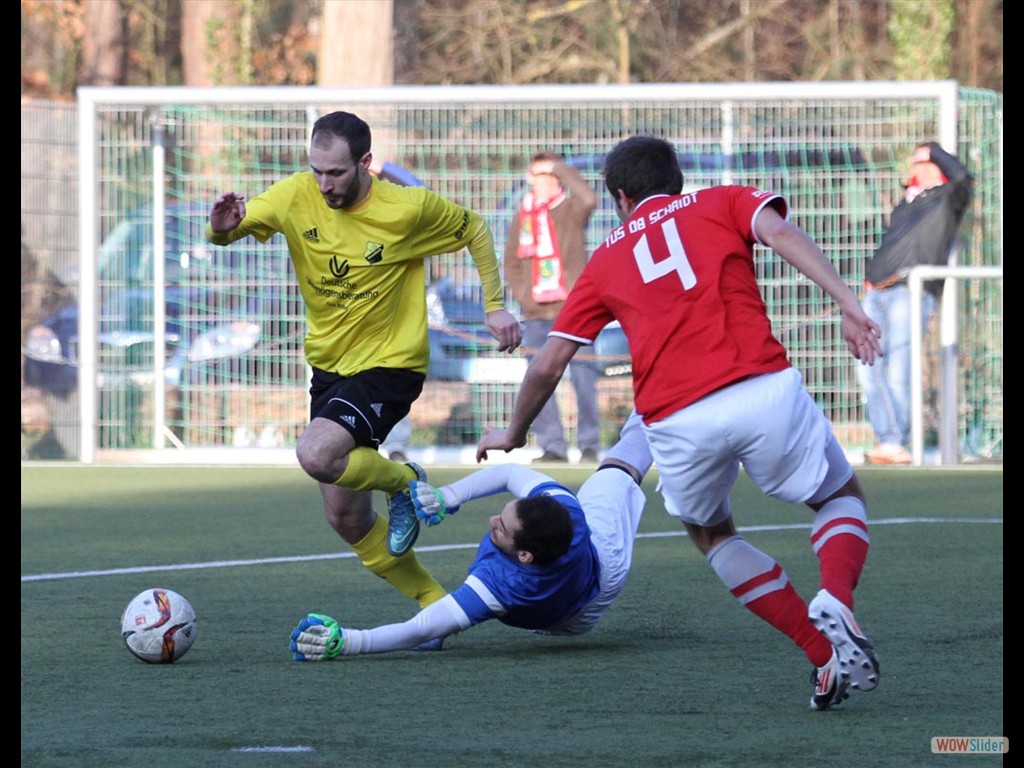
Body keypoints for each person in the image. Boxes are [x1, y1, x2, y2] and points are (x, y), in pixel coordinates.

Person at [477, 135, 884, 711]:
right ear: (677, 180)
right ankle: (835, 596)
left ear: (621, 198)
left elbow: (547, 364)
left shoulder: (605, 259)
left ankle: (822, 655)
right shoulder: (722, 200)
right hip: (759, 388)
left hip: (675, 418)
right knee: (839, 497)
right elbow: (782, 234)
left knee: (713, 536)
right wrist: (847, 302)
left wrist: (514, 433)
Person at [206, 111, 522, 626]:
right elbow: (230, 229)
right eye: (317, 171)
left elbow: (476, 229)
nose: (324, 184)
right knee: (345, 515)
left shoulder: (406, 208)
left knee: (316, 453)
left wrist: (495, 306)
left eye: (336, 172)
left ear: (365, 163)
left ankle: (403, 483)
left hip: (390, 365)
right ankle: (435, 607)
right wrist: (220, 229)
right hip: (330, 368)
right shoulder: (295, 195)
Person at [289, 410, 653, 658]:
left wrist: (349, 642)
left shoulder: (502, 585)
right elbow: (509, 473)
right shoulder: (564, 509)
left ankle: (659, 408)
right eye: (503, 513)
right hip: (585, 557)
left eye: (502, 527)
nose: (493, 520)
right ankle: (658, 407)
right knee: (619, 468)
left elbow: (421, 629)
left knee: (618, 470)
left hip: (589, 596)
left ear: (524, 556)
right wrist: (449, 496)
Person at [858, 141, 973, 464]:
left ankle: (893, 441)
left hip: (911, 292)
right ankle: (889, 439)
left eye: (924, 163)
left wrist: (931, 149)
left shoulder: (947, 199)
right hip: (877, 292)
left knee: (899, 368)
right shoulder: (905, 203)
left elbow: (963, 177)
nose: (916, 167)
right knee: (867, 366)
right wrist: (871, 277)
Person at [504, 151, 600, 464]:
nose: (542, 182)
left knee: (584, 378)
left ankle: (589, 444)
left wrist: (558, 166)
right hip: (535, 314)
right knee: (538, 380)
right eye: (537, 175)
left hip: (573, 310)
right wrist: (524, 297)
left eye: (549, 175)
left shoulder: (570, 208)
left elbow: (589, 198)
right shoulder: (522, 216)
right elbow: (512, 263)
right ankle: (553, 446)